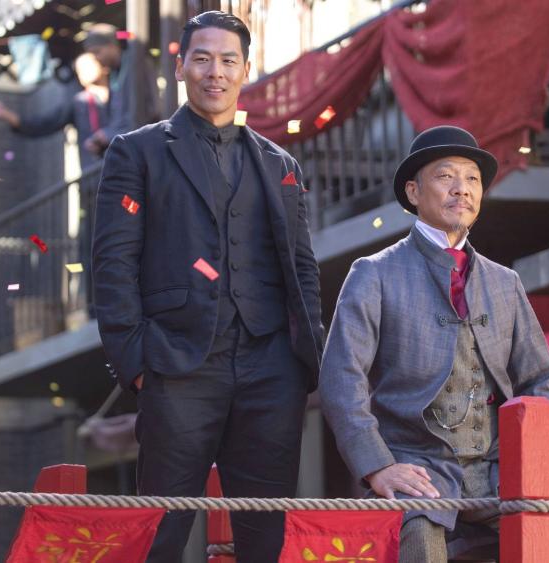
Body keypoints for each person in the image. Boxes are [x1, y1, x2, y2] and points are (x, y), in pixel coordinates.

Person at [319, 126, 549, 563]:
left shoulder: (505, 282)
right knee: (420, 538)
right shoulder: (374, 273)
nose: (461, 189)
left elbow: (540, 379)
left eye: (472, 179)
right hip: (418, 469)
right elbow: (341, 378)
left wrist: (545, 465)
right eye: (446, 176)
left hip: (504, 472)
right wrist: (378, 466)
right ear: (413, 191)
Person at [91, 10, 324, 563]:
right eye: (201, 58)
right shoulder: (137, 151)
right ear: (180, 67)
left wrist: (305, 357)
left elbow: (302, 267)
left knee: (267, 540)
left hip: (271, 367)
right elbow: (112, 264)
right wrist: (137, 362)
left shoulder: (280, 163)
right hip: (177, 362)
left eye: (227, 60)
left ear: (245, 69)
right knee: (160, 534)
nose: (214, 72)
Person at [0, 52, 112, 170]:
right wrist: (8, 116)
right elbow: (45, 123)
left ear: (103, 66)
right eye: (80, 69)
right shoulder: (79, 103)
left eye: (88, 66)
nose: (84, 71)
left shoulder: (118, 95)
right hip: (96, 172)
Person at [80, 23, 160, 155]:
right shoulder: (113, 73)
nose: (96, 58)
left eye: (97, 52)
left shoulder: (138, 65)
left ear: (112, 46)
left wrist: (110, 134)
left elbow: (150, 112)